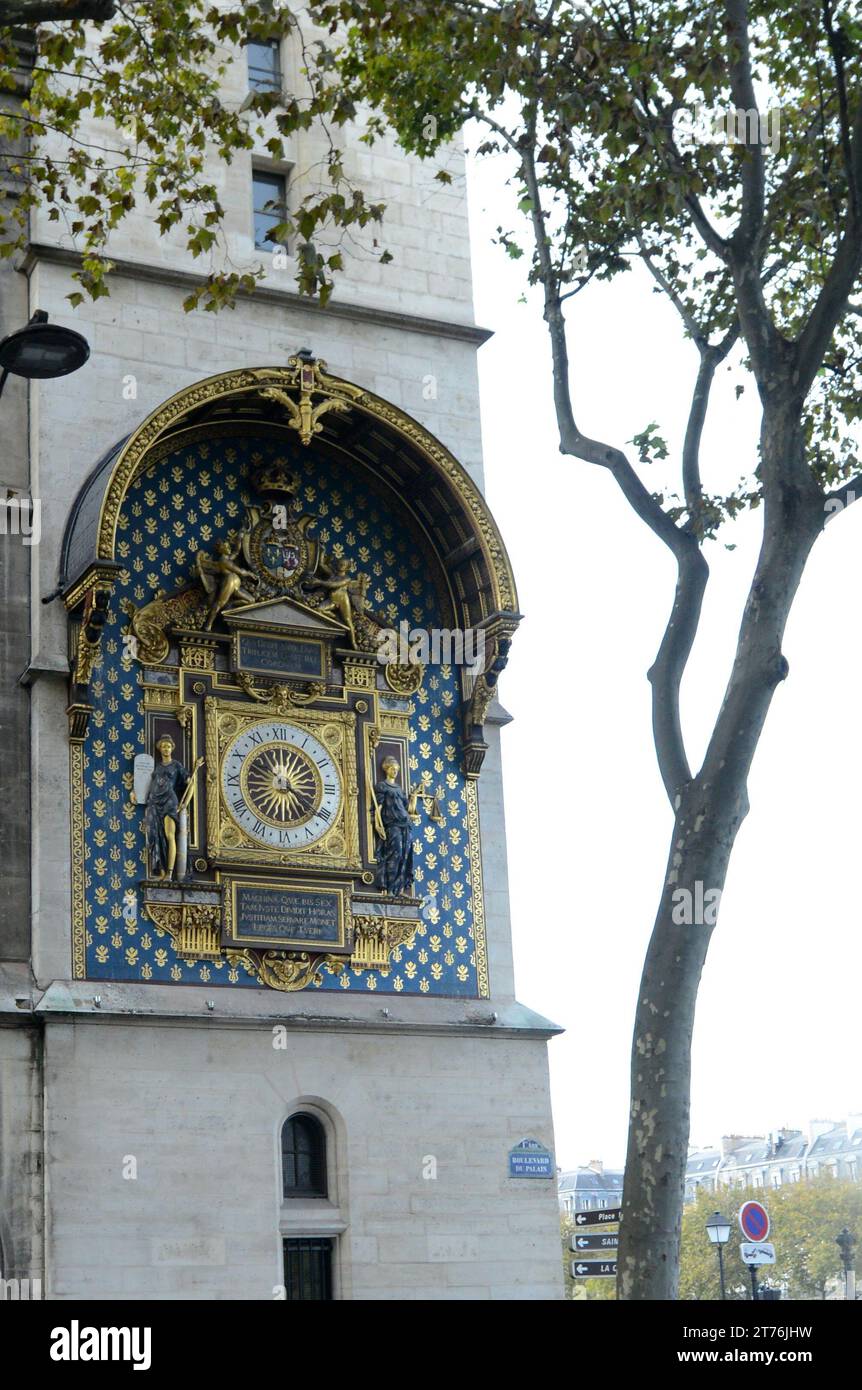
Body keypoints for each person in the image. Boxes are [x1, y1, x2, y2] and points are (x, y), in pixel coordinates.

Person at [143, 737, 200, 880]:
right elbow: (147, 785)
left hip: (169, 802)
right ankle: (161, 872)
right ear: (160, 749)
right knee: (156, 836)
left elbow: (191, 784)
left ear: (172, 748)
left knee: (169, 835)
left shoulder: (176, 765)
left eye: (168, 746)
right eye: (163, 746)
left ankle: (169, 873)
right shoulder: (157, 767)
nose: (166, 749)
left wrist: (185, 803)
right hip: (155, 803)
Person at [372, 756, 419, 896]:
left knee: (405, 856)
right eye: (393, 769)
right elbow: (378, 808)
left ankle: (399, 889)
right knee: (394, 855)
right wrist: (378, 825)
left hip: (405, 824)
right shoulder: (382, 786)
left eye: (397, 769)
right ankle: (390, 888)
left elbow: (408, 809)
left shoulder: (399, 789)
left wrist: (414, 796)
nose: (395, 772)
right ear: (386, 769)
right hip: (392, 825)